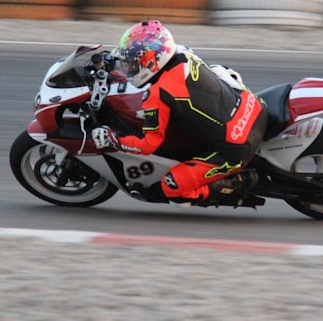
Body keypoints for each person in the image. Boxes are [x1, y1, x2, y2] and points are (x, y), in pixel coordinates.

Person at [90, 19, 267, 205]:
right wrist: (113, 61)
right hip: (253, 105)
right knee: (218, 71)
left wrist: (114, 140)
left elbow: (148, 145)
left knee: (171, 187)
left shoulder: (157, 95)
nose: (129, 69)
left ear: (152, 61)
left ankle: (233, 185)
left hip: (237, 146)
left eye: (133, 64)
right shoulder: (181, 52)